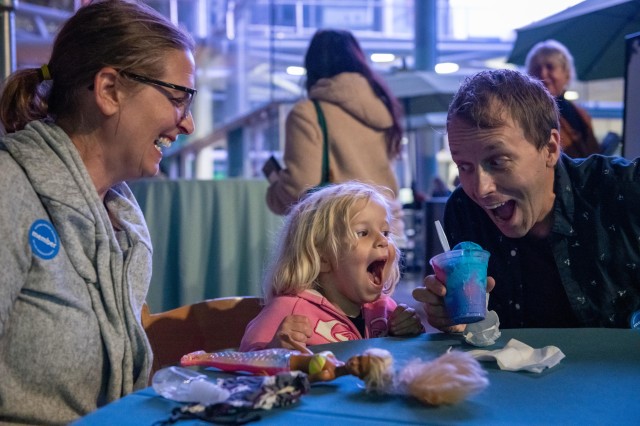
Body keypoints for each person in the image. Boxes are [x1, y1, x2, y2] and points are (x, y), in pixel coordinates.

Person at [0, 0, 196, 424]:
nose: (188, 124)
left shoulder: (124, 219)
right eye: (178, 98)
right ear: (108, 90)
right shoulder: (8, 189)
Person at [412, 69, 640, 333]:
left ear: (550, 149)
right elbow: (478, 339)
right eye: (464, 167)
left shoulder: (622, 190)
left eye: (497, 161)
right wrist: (453, 317)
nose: (481, 189)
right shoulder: (464, 210)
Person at [241, 182, 424, 352]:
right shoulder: (288, 310)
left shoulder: (385, 310)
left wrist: (408, 331)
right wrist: (276, 350)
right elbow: (245, 366)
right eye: (363, 233)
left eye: (385, 232)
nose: (383, 240)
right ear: (322, 258)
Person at [265, 29, 406, 241]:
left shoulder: (308, 114)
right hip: (388, 233)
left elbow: (299, 188)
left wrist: (274, 190)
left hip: (341, 240)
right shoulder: (383, 109)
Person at [525, 39, 600, 158]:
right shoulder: (525, 115)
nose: (543, 74)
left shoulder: (580, 114)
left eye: (550, 67)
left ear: (567, 73)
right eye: (537, 68)